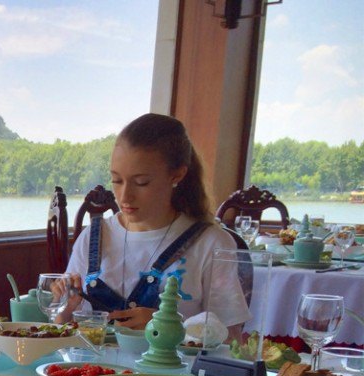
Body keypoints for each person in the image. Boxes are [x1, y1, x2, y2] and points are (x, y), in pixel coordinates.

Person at [57, 113, 250, 336]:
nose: (125, 196)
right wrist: (64, 308)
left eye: (142, 182)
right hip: (94, 370)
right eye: (117, 181)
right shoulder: (94, 237)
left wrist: (171, 326)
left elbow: (231, 336)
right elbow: (65, 327)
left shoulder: (211, 242)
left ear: (177, 175)